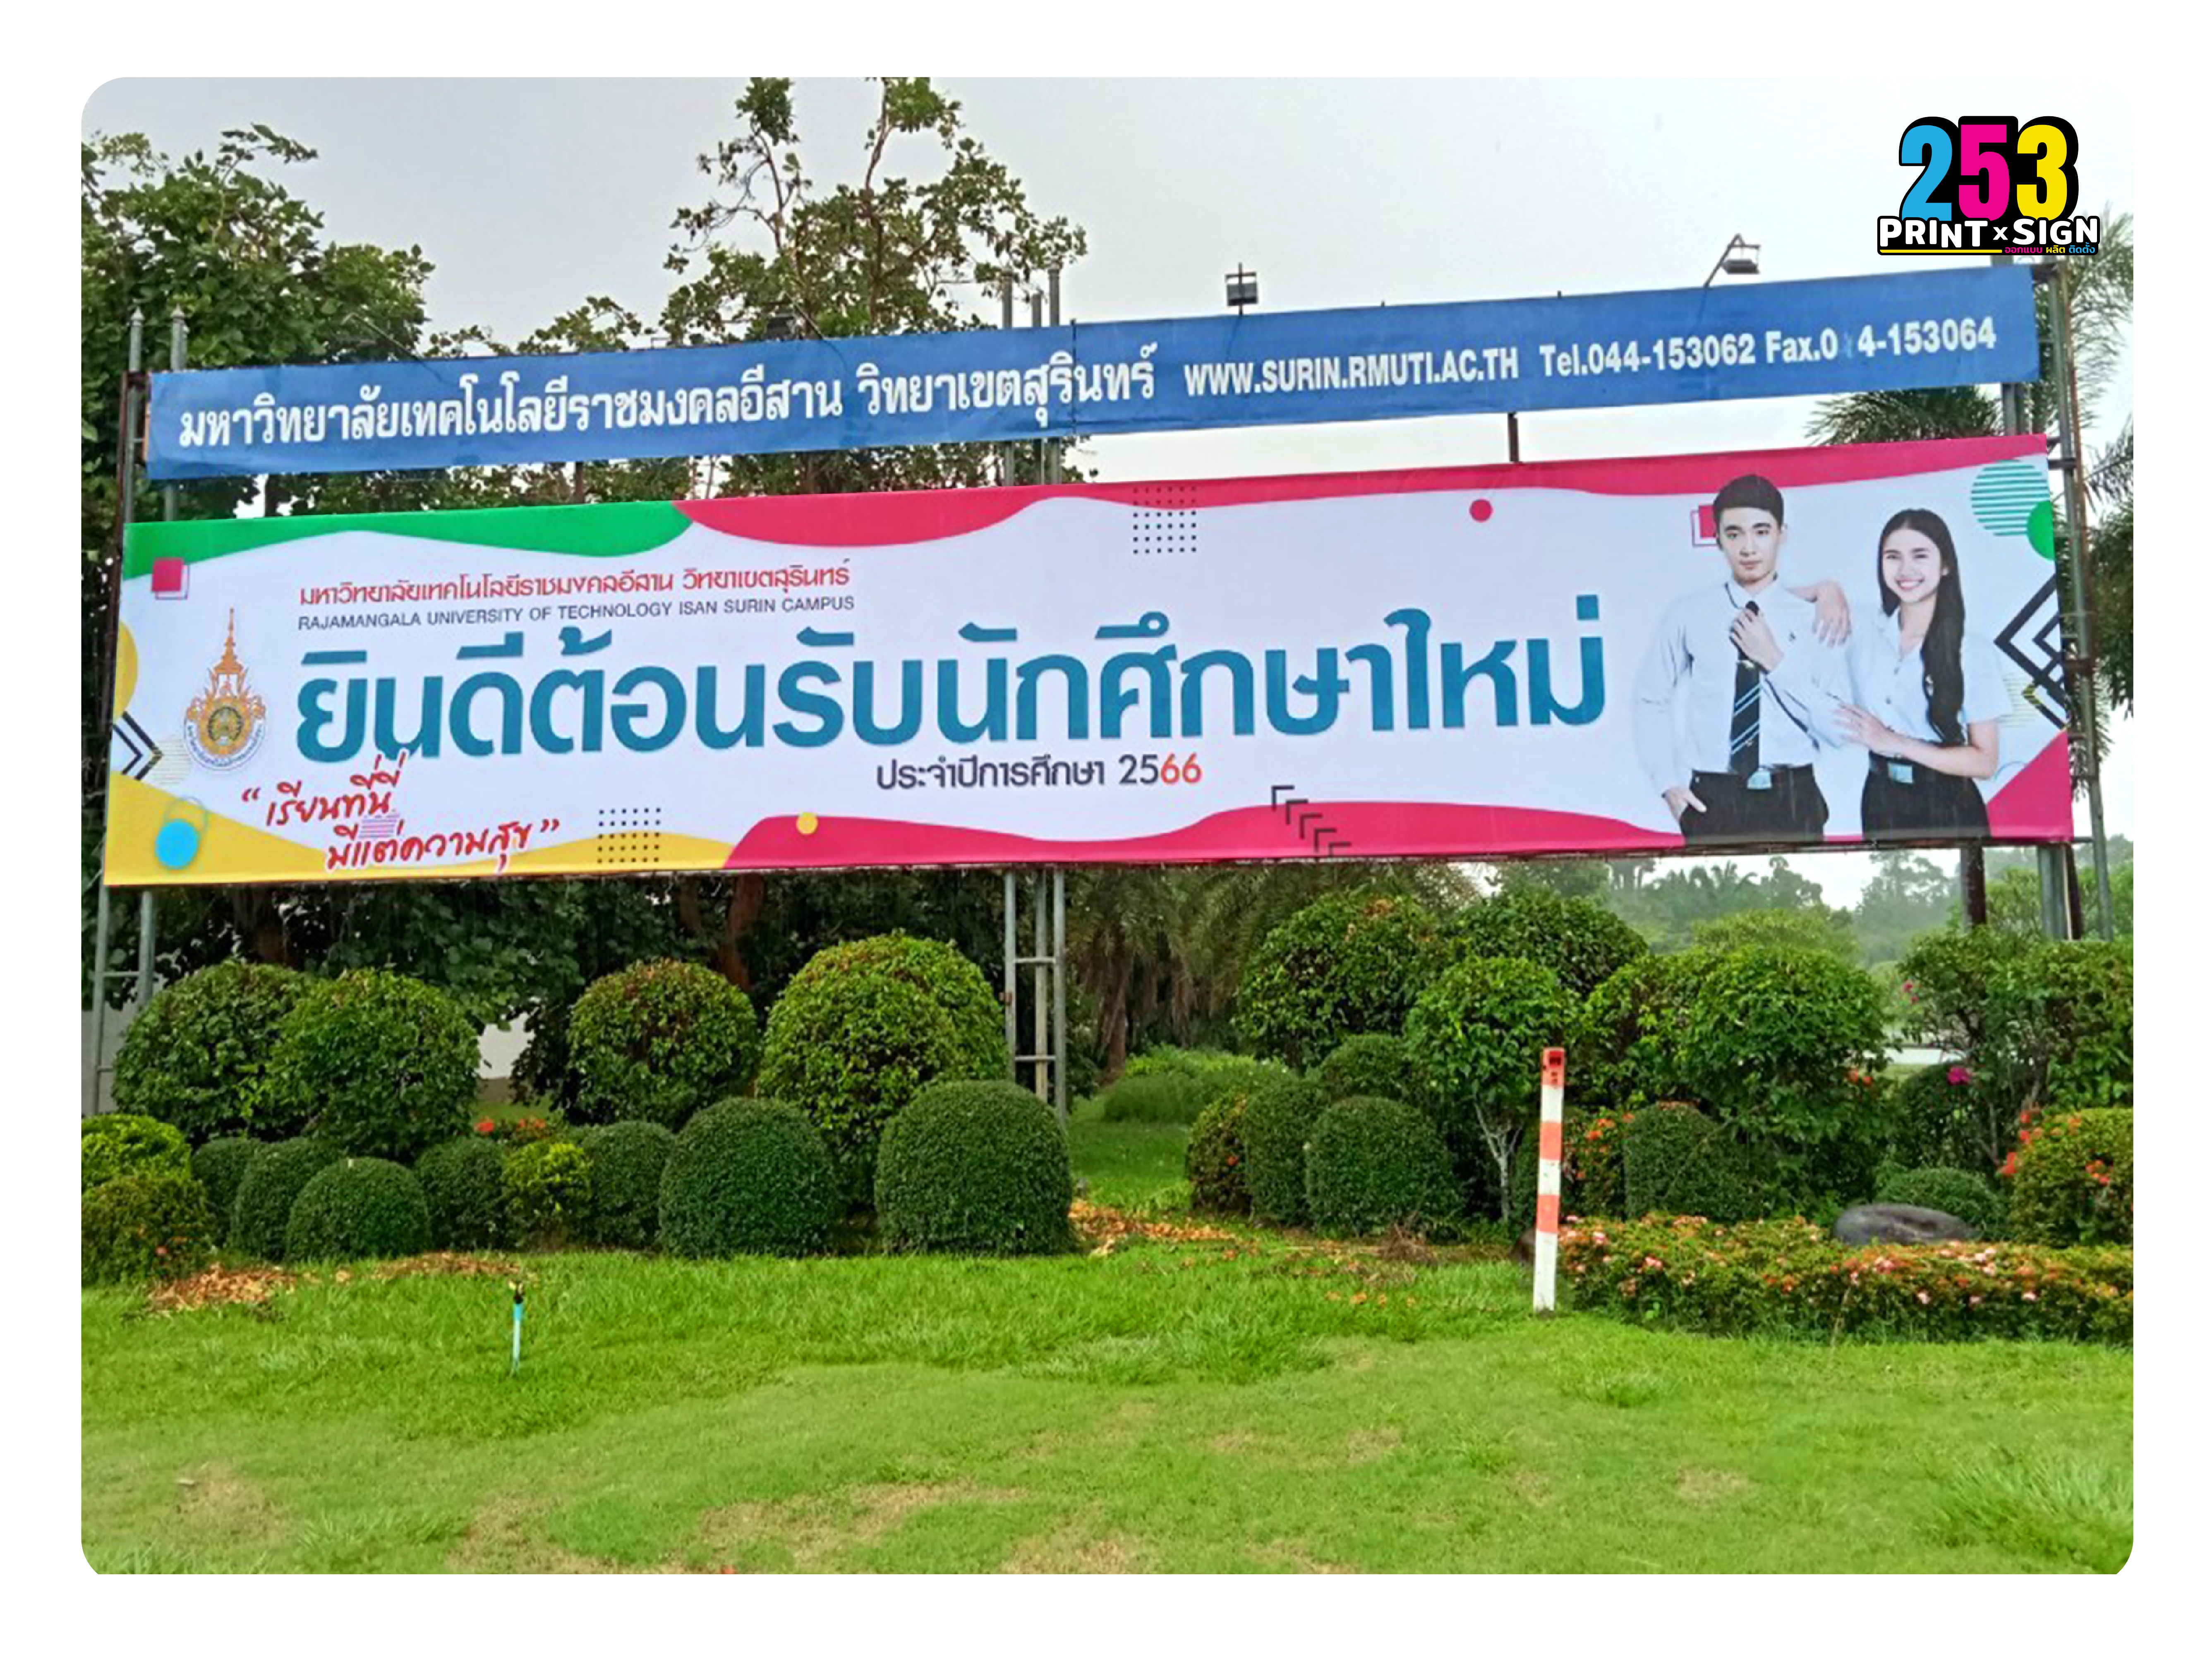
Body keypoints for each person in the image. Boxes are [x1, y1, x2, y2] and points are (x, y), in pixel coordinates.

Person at [1633, 474, 1851, 845]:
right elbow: (1650, 698)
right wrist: (1667, 784)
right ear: (1718, 538)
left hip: (1793, 797)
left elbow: (1839, 729)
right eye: (1734, 534)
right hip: (1713, 799)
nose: (1748, 548)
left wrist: (1774, 662)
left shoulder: (1814, 618)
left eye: (1761, 532)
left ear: (1782, 534)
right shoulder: (1690, 614)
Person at [1833, 508, 2005, 841]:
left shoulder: (1971, 651)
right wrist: (1827, 589)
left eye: (1920, 556)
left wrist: (1895, 742)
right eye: (1893, 557)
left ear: (1945, 565)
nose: (1905, 569)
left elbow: (1985, 762)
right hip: (1879, 798)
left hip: (1948, 802)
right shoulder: (1862, 632)